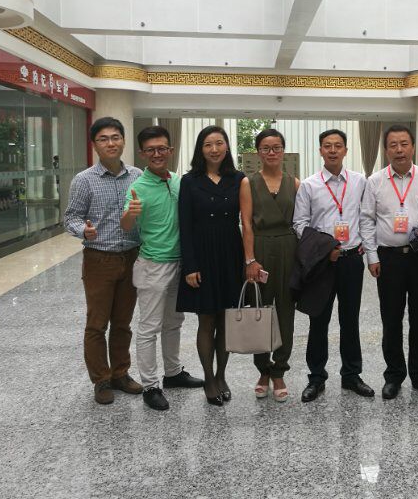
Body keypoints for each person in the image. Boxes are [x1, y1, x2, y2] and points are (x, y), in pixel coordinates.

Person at [360, 124, 418, 400]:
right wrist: (372, 256)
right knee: (391, 319)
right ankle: (394, 376)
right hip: (389, 259)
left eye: (404, 144)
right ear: (386, 150)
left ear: (413, 147)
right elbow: (367, 220)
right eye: (393, 145)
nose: (399, 150)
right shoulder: (375, 181)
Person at [121, 125, 203, 411]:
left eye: (162, 149)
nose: (157, 154)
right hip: (153, 265)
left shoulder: (180, 181)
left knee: (174, 322)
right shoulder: (137, 187)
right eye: (151, 150)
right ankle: (150, 385)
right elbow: (126, 225)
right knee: (149, 327)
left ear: (170, 150)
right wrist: (129, 215)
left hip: (181, 264)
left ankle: (173, 373)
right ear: (142, 153)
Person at [64, 117, 143, 405]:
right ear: (95, 145)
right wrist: (82, 230)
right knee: (97, 324)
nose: (111, 143)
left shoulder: (137, 176)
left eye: (115, 137)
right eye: (103, 139)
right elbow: (70, 217)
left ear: (123, 140)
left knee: (123, 322)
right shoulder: (84, 180)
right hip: (99, 259)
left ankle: (121, 373)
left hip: (132, 256)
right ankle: (101, 379)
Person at [293, 129, 374, 402]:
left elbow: (366, 216)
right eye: (327, 146)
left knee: (350, 320)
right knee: (319, 320)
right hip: (323, 264)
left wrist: (365, 246)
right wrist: (324, 250)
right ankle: (316, 377)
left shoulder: (360, 182)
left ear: (346, 151)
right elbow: (300, 225)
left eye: (338, 146)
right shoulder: (309, 185)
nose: (332, 150)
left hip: (351, 260)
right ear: (320, 151)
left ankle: (352, 375)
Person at [177, 126, 245, 406]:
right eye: (208, 144)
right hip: (202, 255)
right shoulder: (189, 181)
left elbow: (247, 221)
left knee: (227, 319)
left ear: (227, 147)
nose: (214, 149)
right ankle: (208, 377)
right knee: (206, 320)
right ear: (200, 149)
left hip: (230, 253)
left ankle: (221, 375)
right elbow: (185, 225)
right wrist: (190, 265)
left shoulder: (238, 179)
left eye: (219, 143)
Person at [239, 129, 299, 403]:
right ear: (258, 152)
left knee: (286, 310)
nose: (271, 152)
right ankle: (263, 370)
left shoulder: (294, 183)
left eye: (276, 147)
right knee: (260, 310)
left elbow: (300, 221)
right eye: (265, 148)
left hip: (288, 248)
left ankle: (279, 371)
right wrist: (250, 259)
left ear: (283, 151)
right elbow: (246, 223)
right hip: (260, 248)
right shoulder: (248, 183)